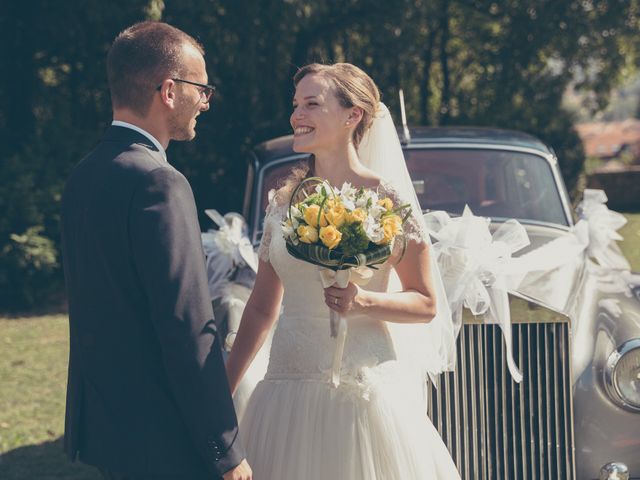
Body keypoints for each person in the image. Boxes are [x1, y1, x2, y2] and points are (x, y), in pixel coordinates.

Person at [225, 62, 460, 479]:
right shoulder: (282, 203)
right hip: (285, 393)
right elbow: (261, 308)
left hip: (363, 394)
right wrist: (223, 390)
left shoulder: (387, 201)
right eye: (295, 105)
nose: (297, 115)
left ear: (353, 115)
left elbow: (425, 302)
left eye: (311, 104)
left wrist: (364, 300)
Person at [60, 21, 251, 480]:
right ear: (169, 90)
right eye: (201, 88)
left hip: (109, 428)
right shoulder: (159, 182)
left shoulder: (83, 175)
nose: (205, 100)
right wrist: (224, 449)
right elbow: (186, 327)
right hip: (164, 436)